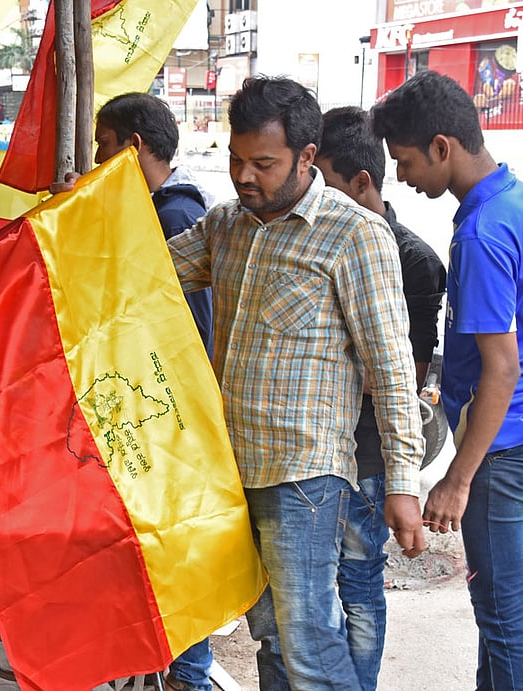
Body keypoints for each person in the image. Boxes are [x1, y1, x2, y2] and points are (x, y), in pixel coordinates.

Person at [165, 76, 426, 690]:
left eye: (263, 163)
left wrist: (405, 484)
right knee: (271, 637)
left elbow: (392, 369)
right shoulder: (226, 224)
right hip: (231, 470)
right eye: (235, 159)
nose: (243, 176)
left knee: (308, 638)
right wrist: (92, 212)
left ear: (307, 158)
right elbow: (144, 265)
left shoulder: (355, 234)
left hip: (303, 479)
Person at [372, 70, 523, 690]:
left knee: (502, 619)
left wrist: (457, 479)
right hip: (507, 441)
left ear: (442, 147)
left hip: (500, 450)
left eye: (406, 162)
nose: (403, 178)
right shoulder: (508, 201)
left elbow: (502, 366)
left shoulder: (483, 235)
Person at [314, 105, 446, 691]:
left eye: (327, 183)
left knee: (361, 584)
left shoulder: (412, 259)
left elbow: (402, 373)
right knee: (311, 589)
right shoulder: (311, 240)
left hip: (370, 450)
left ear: (361, 182)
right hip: (316, 447)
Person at [93, 91, 214, 691]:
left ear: (134, 148)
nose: (96, 157)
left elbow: (185, 329)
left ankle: (186, 675)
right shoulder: (153, 211)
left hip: (173, 412)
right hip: (157, 405)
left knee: (178, 551)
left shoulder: (174, 217)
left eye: (104, 145)